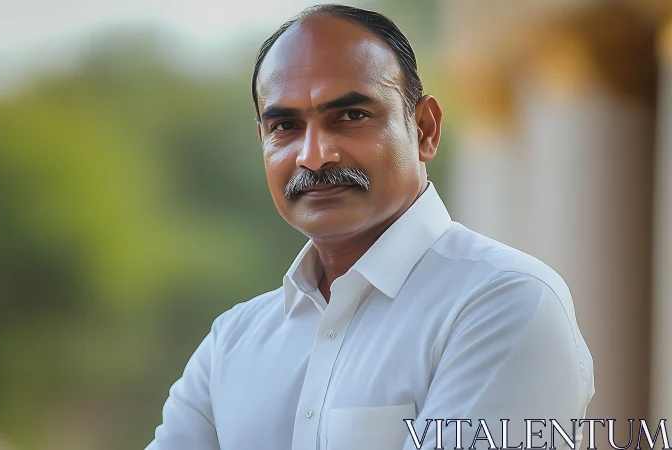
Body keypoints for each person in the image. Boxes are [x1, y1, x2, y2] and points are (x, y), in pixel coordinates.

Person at [146, 4, 594, 450]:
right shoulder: (234, 341)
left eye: (351, 116)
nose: (314, 155)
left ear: (424, 129)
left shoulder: (502, 302)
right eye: (285, 126)